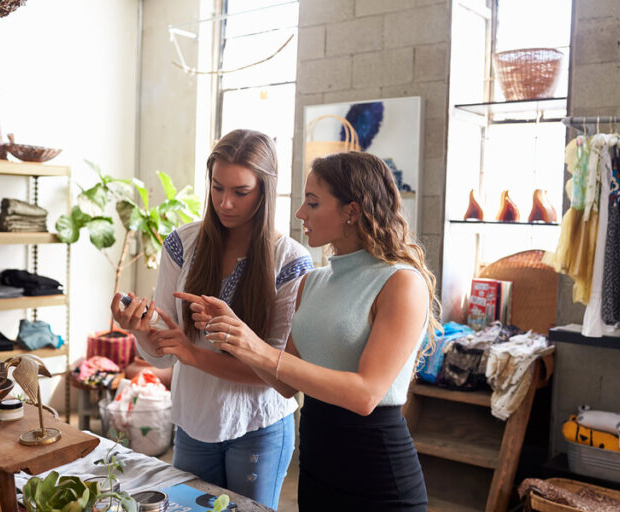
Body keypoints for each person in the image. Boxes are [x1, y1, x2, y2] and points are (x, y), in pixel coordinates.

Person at [186, 151, 440, 511]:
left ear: (351, 211)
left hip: (377, 475)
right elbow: (287, 382)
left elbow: (365, 394)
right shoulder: (313, 283)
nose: (300, 213)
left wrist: (258, 348)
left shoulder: (401, 283)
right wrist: (235, 335)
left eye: (313, 202)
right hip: (317, 468)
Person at [111, 129, 313, 509]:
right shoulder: (181, 244)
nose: (225, 203)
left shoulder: (291, 262)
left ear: (265, 191)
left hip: (258, 426)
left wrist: (191, 353)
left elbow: (278, 374)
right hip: (193, 421)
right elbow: (163, 355)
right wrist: (139, 331)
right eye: (217, 187)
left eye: (241, 192)